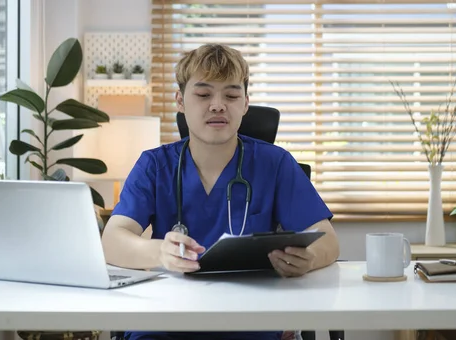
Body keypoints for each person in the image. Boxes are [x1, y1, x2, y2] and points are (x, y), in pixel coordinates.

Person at [101, 44, 340, 340]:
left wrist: (309, 259)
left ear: (245, 104)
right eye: (203, 94)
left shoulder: (275, 164)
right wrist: (159, 251)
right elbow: (112, 240)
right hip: (167, 321)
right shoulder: (154, 166)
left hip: (250, 321)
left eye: (231, 95)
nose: (217, 105)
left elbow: (327, 239)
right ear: (180, 101)